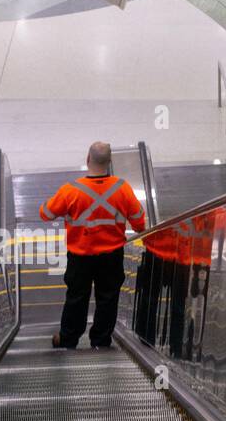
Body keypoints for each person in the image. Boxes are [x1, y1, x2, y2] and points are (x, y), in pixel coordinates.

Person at [39, 142, 146, 349]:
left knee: (76, 297)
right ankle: (100, 341)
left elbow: (46, 213)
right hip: (112, 255)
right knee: (108, 298)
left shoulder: (71, 190)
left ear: (87, 159)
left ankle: (68, 339)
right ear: (110, 161)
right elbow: (140, 222)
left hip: (80, 255)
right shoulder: (122, 188)